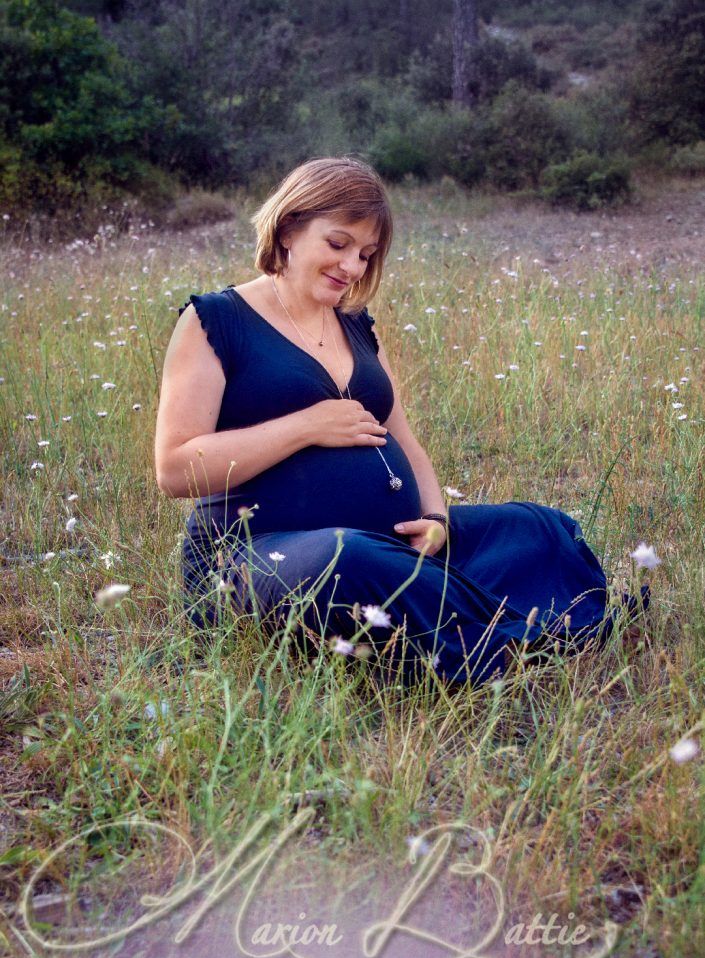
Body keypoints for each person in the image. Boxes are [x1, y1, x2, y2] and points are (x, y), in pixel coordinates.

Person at [154, 156, 634, 687]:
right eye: (338, 245)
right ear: (289, 227)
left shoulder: (355, 326)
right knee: (347, 558)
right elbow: (175, 469)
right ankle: (497, 636)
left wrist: (435, 519)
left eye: (366, 254)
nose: (353, 268)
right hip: (257, 558)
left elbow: (406, 442)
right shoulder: (215, 320)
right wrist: (306, 426)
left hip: (382, 542)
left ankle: (460, 614)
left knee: (536, 529)